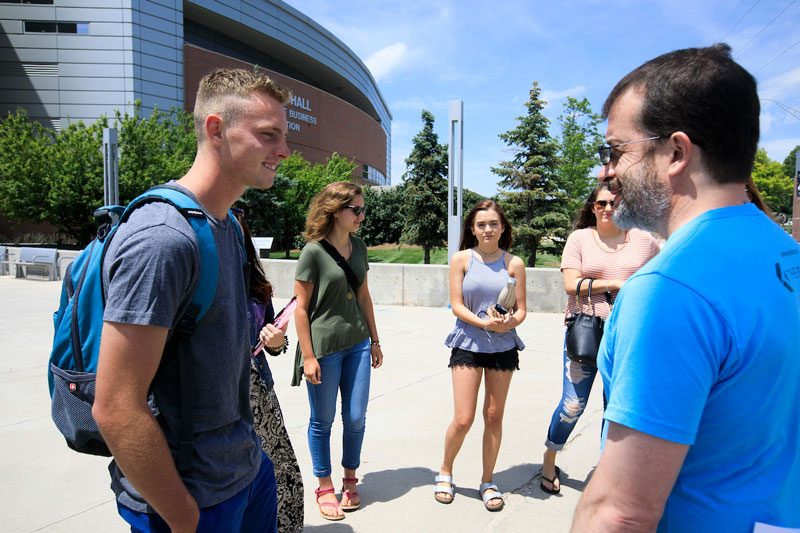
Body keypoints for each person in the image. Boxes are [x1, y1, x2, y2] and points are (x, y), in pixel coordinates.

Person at [572, 44, 800, 531]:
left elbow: (621, 511)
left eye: (614, 151)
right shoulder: (785, 255)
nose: (604, 173)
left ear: (676, 152)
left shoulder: (670, 290)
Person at [93, 69, 291, 532]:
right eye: (268, 135)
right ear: (216, 129)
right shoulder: (163, 239)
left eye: (283, 137)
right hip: (190, 498)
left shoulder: (225, 226)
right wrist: (182, 515)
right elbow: (116, 406)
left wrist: (254, 461)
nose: (283, 151)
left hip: (245, 470)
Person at [540, 182, 659, 495]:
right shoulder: (580, 238)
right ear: (592, 207)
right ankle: (550, 456)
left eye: (615, 203)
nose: (608, 209)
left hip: (629, 334)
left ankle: (609, 472)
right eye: (601, 203)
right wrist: (615, 282)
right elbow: (570, 284)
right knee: (572, 404)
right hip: (585, 330)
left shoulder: (644, 241)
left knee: (616, 407)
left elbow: (661, 276)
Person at [292, 181, 384, 521]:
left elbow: (363, 297)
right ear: (335, 211)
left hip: (358, 343)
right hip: (325, 347)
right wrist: (309, 356)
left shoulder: (359, 247)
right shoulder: (313, 251)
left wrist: (375, 340)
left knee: (356, 417)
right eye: (355, 210)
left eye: (362, 209)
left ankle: (350, 478)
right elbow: (301, 309)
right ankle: (324, 485)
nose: (361, 215)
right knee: (323, 420)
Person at [434, 200, 527, 512]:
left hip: (503, 347)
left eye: (493, 224)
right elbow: (457, 305)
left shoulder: (514, 263)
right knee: (463, 418)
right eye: (481, 225)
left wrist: (508, 322)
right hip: (468, 343)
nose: (488, 230)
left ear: (503, 228)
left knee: (493, 416)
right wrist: (485, 322)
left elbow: (522, 310)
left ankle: (488, 481)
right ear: (472, 230)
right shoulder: (462, 259)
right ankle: (445, 470)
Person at [233, 207, 304, 533]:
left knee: (279, 468)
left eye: (237, 231)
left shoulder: (256, 286)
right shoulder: (198, 277)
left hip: (259, 392)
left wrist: (276, 340)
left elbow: (276, 348)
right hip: (221, 395)